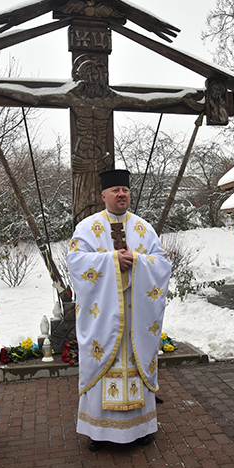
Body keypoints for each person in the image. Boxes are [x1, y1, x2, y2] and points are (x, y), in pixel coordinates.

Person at [66, 169, 171, 451]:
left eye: (125, 190)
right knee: (102, 362)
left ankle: (141, 428)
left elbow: (163, 264)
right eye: (115, 190)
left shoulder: (143, 228)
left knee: (136, 362)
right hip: (103, 316)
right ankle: (98, 431)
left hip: (136, 316)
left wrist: (137, 259)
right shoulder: (87, 228)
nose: (121, 194)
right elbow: (75, 262)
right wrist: (112, 260)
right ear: (104, 196)